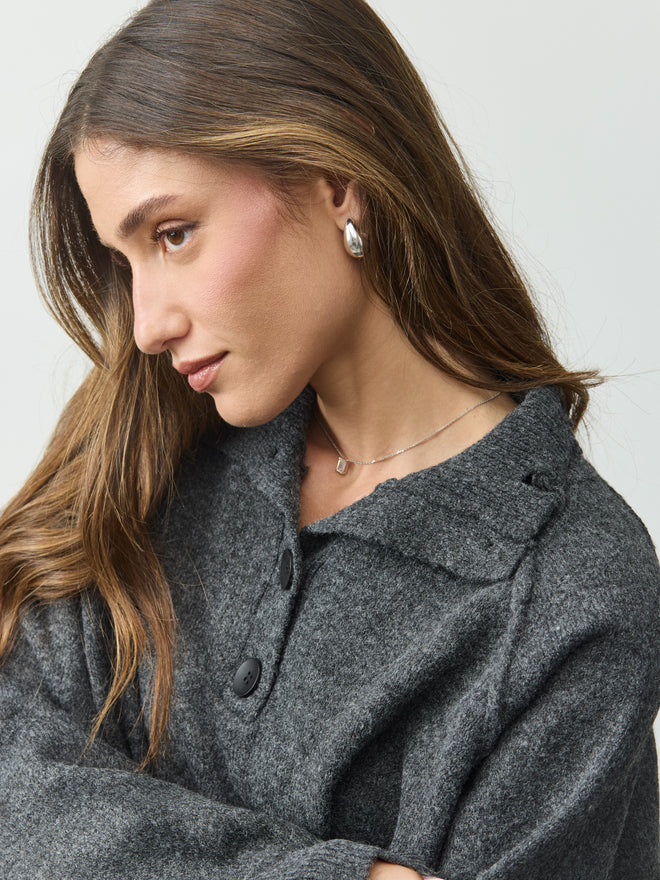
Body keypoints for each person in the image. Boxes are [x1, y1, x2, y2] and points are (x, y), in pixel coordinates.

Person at [0, 0, 658, 877]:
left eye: (174, 234)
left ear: (338, 180)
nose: (148, 323)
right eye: (126, 261)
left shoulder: (570, 591)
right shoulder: (145, 446)